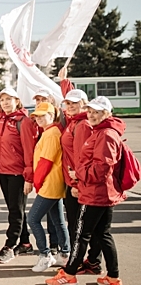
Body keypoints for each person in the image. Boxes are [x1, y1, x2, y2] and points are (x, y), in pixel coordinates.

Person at [46, 96, 126, 285]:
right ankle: (113, 277)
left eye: (96, 112)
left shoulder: (105, 134)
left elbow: (101, 168)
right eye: (89, 111)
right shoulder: (101, 131)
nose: (91, 115)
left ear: (106, 114)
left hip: (95, 193)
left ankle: (69, 274)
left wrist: (77, 175)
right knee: (103, 234)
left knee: (81, 235)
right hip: (102, 192)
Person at [0, 69, 37, 264]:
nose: (5, 103)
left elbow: (30, 151)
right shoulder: (1, 118)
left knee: (15, 210)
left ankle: (10, 245)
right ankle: (26, 243)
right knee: (16, 209)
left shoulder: (24, 122)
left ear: (17, 101)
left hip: (18, 174)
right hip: (3, 172)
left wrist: (29, 177)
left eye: (8, 99)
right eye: (2, 100)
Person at [58, 68, 103, 275]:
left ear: (85, 105)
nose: (70, 106)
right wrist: (64, 81)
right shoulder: (75, 120)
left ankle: (89, 262)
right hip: (75, 181)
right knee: (84, 226)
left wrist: (76, 185)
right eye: (68, 103)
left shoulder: (83, 125)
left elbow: (80, 158)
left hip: (79, 183)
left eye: (75, 103)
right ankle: (92, 260)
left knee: (82, 227)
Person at [26, 102, 70, 272]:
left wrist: (37, 181)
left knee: (33, 219)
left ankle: (45, 255)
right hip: (53, 182)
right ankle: (65, 254)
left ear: (52, 115)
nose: (38, 119)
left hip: (50, 183)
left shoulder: (51, 133)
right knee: (58, 220)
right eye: (36, 116)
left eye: (43, 115)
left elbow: (46, 161)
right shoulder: (50, 131)